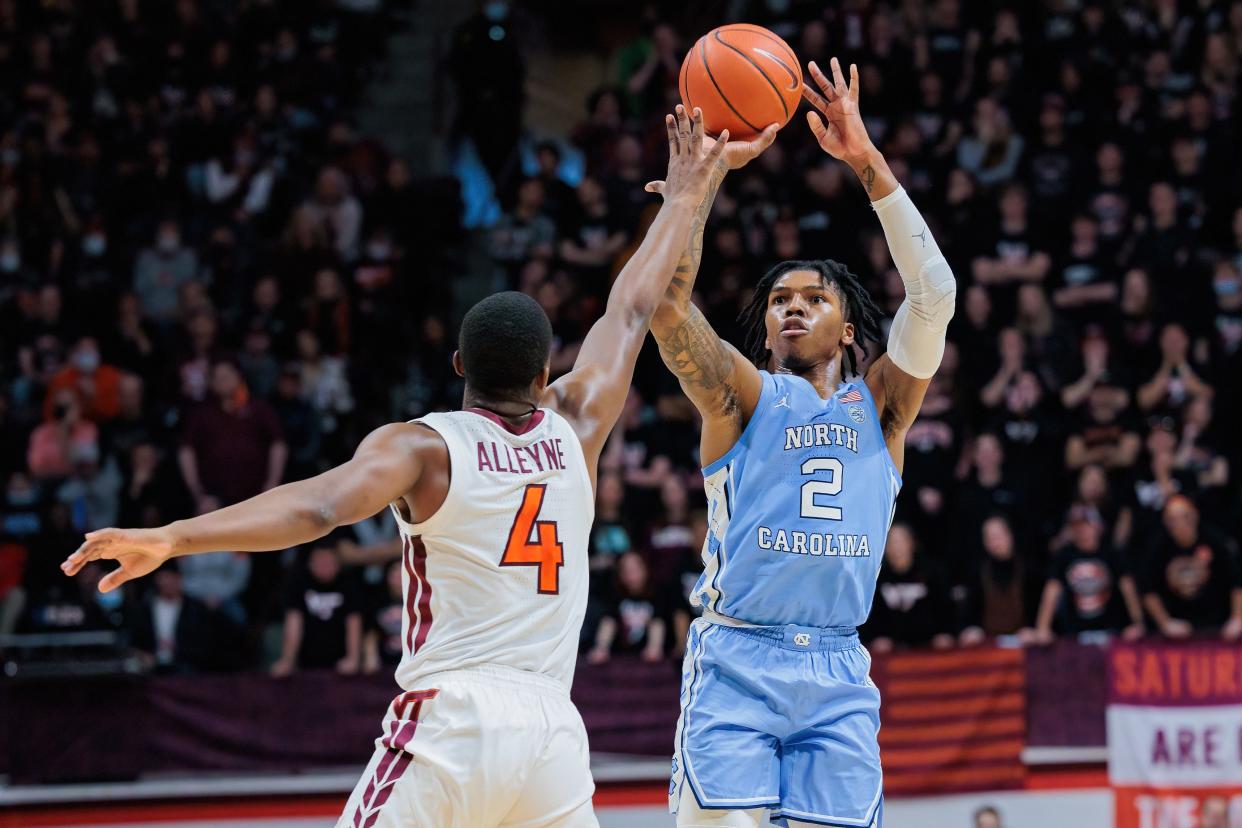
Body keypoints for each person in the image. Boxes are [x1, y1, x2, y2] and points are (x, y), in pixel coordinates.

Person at [62, 108, 736, 828]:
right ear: (547, 374)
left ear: (457, 368)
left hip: (454, 720)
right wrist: (691, 192)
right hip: (552, 736)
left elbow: (318, 509)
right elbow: (631, 309)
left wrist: (172, 536)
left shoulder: (424, 447)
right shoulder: (579, 424)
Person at [654, 59, 956, 827]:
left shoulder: (882, 407)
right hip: (738, 660)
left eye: (813, 299)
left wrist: (867, 163)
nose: (793, 309)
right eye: (780, 300)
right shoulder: (744, 396)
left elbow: (935, 295)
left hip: (838, 666)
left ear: (848, 329)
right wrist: (701, 186)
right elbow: (663, 306)